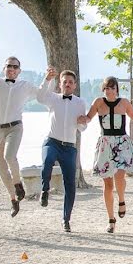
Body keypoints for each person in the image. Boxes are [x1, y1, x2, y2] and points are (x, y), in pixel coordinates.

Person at [0, 49, 45, 216]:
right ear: (4, 68)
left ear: (19, 71)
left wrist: (47, 79)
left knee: (9, 156)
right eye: (9, 66)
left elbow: (41, 94)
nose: (11, 69)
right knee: (1, 168)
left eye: (15, 67)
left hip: (15, 127)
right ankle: (13, 199)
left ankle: (18, 183)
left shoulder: (25, 86)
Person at [84, 76, 133, 234]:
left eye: (112, 88)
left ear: (117, 89)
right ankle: (111, 219)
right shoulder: (98, 102)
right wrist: (78, 119)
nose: (110, 91)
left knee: (120, 176)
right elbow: (88, 117)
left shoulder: (124, 102)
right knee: (107, 184)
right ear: (103, 89)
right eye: (107, 88)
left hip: (121, 143)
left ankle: (121, 200)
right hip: (105, 143)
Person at [38, 67, 88, 233]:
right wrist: (47, 79)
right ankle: (45, 190)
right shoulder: (53, 99)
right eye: (64, 82)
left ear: (74, 86)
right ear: (60, 84)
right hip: (52, 142)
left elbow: (82, 128)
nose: (67, 84)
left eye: (70, 82)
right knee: (47, 162)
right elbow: (40, 97)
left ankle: (66, 219)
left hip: (69, 147)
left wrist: (83, 121)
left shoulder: (80, 103)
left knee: (70, 184)